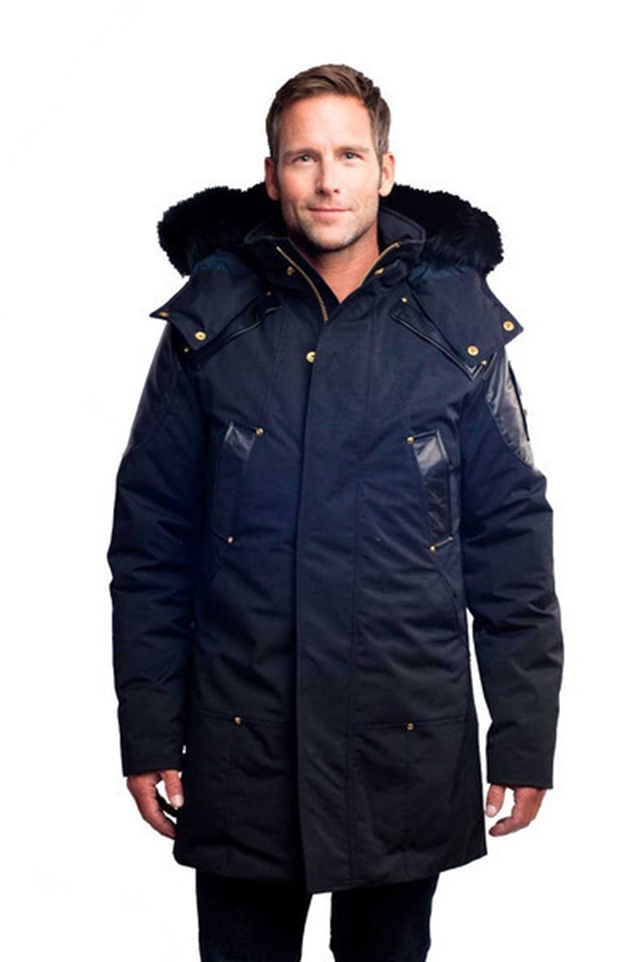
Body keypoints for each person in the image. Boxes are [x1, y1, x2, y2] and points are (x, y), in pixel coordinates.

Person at [108, 64, 563, 962]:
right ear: (272, 174)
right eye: (303, 157)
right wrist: (149, 729)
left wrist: (525, 736)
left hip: (404, 734)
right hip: (244, 736)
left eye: (349, 155)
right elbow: (152, 538)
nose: (327, 180)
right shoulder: (211, 324)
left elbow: (511, 538)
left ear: (385, 170)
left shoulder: (460, 328)